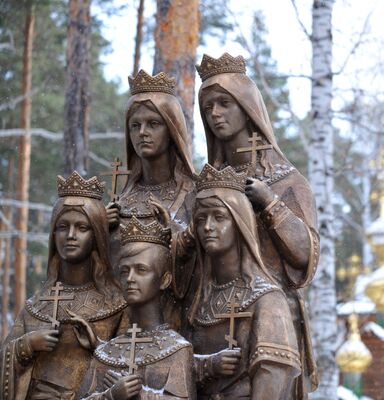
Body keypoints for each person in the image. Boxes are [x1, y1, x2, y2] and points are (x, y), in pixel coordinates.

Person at [192, 52, 319, 397]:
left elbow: (305, 258)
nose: (215, 114)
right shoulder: (204, 185)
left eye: (223, 103)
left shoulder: (288, 182)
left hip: (272, 320)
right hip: (211, 314)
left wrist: (269, 203)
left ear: (247, 106)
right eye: (207, 108)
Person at [0, 172, 127, 400]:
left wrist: (97, 346)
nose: (70, 235)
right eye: (62, 226)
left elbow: (130, 369)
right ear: (53, 233)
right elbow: (3, 360)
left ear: (96, 234)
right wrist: (26, 345)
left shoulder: (116, 305)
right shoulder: (37, 305)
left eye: (82, 227)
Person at [184, 164, 301, 399]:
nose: (207, 227)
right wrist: (207, 367)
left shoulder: (267, 299)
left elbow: (274, 377)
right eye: (200, 219)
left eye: (219, 217)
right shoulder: (198, 298)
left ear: (240, 223)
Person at [108, 69, 196, 328]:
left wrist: (175, 231)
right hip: (123, 326)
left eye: (153, 124)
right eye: (135, 125)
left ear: (172, 130)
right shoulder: (119, 201)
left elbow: (209, 264)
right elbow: (105, 274)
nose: (142, 132)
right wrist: (100, 229)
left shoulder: (194, 195)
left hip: (178, 324)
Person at [78, 212, 196, 400]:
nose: (130, 279)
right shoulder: (106, 352)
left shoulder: (177, 349)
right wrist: (111, 396)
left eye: (141, 270)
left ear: (164, 280)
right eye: (125, 271)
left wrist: (140, 395)